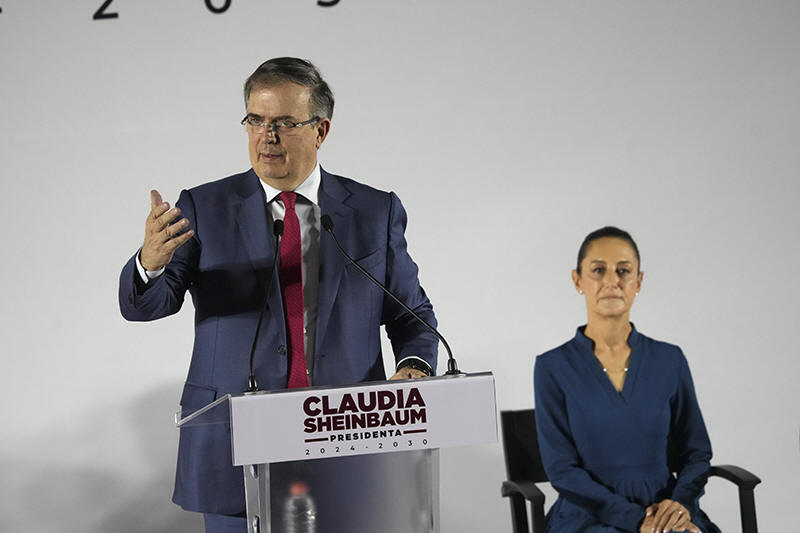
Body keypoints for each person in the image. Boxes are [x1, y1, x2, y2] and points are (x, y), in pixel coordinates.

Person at [118, 57, 438, 532]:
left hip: (343, 440)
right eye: (255, 120)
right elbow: (149, 305)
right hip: (234, 442)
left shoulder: (374, 211)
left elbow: (413, 316)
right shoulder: (204, 207)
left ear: (320, 130)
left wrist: (414, 368)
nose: (266, 136)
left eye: (285, 123)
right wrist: (149, 264)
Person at [533, 227, 720, 533]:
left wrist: (679, 505)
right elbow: (562, 470)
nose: (612, 281)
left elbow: (697, 452)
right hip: (589, 515)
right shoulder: (553, 367)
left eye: (623, 271)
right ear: (577, 280)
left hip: (665, 509)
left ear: (638, 281)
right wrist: (636, 520)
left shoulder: (669, 360)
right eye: (598, 270)